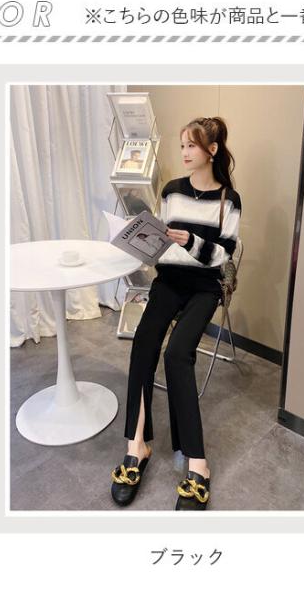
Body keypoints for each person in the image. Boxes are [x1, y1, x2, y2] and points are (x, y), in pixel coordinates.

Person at [110, 116, 242, 510]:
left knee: (178, 353)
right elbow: (161, 242)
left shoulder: (229, 200)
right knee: (144, 344)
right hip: (169, 280)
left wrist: (192, 242)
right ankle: (137, 445)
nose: (183, 152)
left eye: (191, 145)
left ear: (212, 151)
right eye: (182, 145)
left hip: (205, 286)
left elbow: (224, 256)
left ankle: (198, 464)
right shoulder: (171, 191)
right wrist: (144, 242)